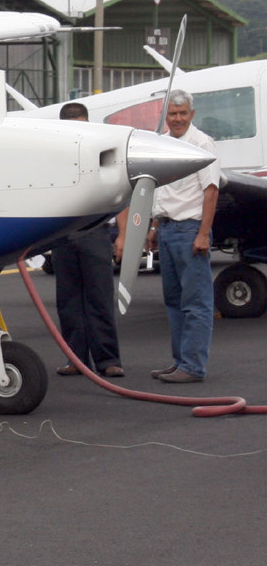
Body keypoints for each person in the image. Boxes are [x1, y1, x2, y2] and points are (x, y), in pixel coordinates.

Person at [115, 90, 220, 383]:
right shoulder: (163, 143)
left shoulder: (201, 144)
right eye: (173, 114)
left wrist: (203, 234)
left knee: (196, 302)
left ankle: (194, 366)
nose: (177, 119)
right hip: (168, 229)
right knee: (173, 300)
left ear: (192, 114)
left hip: (189, 230)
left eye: (183, 113)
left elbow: (211, 190)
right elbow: (161, 192)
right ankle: (180, 361)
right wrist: (152, 229)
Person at [51, 101, 122, 378]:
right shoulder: (54, 158)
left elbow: (120, 193)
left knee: (99, 297)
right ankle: (76, 359)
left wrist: (124, 236)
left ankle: (108, 359)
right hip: (63, 233)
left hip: (95, 229)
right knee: (67, 300)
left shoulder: (102, 153)